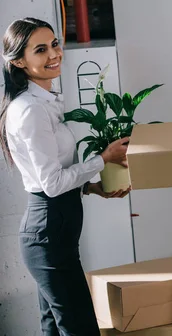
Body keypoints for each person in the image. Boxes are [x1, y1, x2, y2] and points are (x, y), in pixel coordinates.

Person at [0, 17, 131, 336]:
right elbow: (51, 183)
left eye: (55, 44)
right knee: (79, 326)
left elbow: (53, 172)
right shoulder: (30, 110)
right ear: (19, 61)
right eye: (40, 50)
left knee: (56, 327)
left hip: (55, 230)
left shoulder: (45, 102)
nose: (54, 54)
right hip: (48, 233)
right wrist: (104, 158)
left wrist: (91, 187)